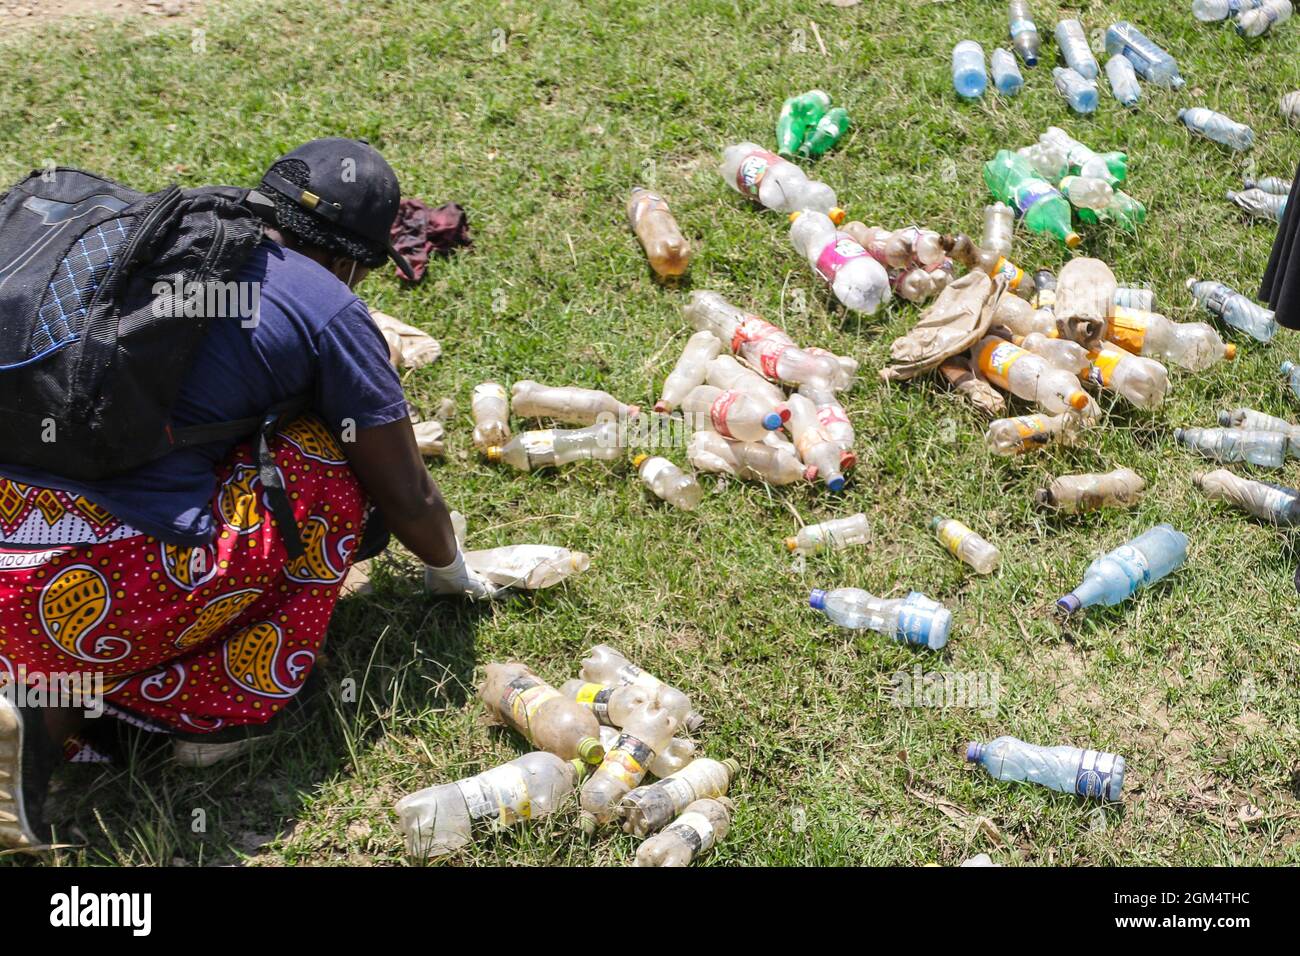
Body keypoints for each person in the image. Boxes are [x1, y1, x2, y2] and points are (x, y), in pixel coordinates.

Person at [0, 138, 499, 852]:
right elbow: (407, 493)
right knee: (324, 457)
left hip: (13, 561)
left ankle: (45, 719)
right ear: (356, 258)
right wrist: (454, 574)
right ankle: (209, 707)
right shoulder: (326, 303)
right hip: (94, 588)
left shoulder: (164, 245)